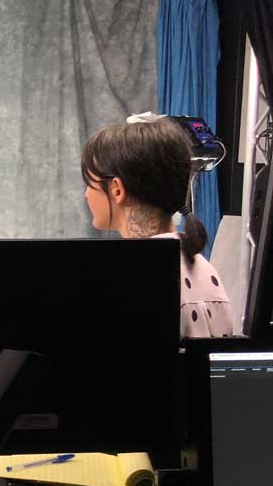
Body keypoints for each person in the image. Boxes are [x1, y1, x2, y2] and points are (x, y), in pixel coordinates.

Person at [81, 117, 234, 338]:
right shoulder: (205, 269)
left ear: (116, 189)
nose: (86, 194)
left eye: (89, 183)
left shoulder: (129, 279)